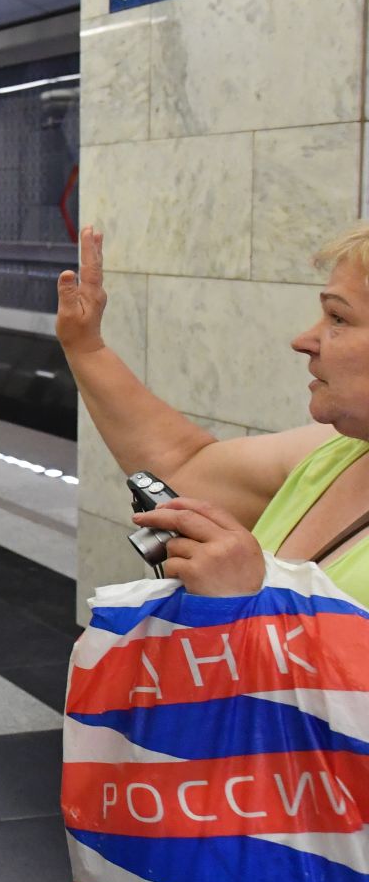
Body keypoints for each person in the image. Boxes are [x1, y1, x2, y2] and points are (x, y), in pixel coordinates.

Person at [60, 223, 369, 602]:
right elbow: (184, 467)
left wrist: (247, 601)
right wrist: (86, 347)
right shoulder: (338, 453)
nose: (303, 341)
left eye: (338, 318)